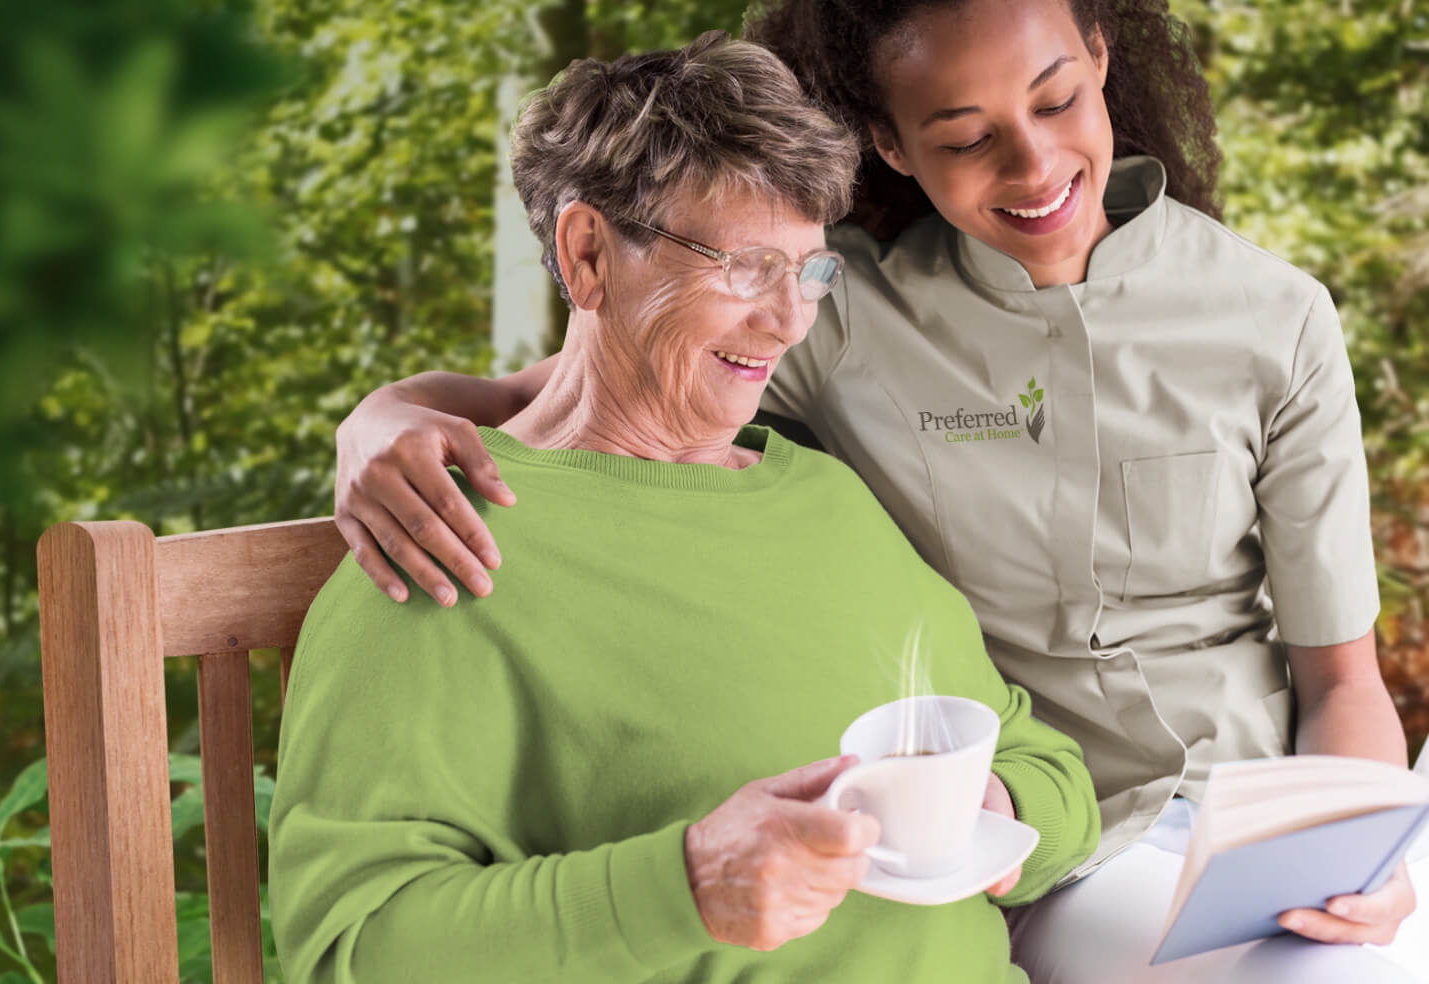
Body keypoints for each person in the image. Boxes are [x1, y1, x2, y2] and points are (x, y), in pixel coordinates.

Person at [326, 1, 1425, 981]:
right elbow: (572, 387)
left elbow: (1341, 680)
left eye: (1057, 100)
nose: (1035, 166)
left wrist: (1351, 847)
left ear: (1102, 56)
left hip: (1267, 808)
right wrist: (379, 419)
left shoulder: (1273, 315)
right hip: (1073, 862)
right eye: (965, 136)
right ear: (893, 146)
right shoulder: (841, 316)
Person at [267, 32, 1099, 984]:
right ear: (588, 254)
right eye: (745, 267)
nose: (787, 319)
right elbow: (350, 947)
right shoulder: (441, 539)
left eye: (810, 272)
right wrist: (685, 886)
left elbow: (1042, 761)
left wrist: (996, 805)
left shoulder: (825, 496)